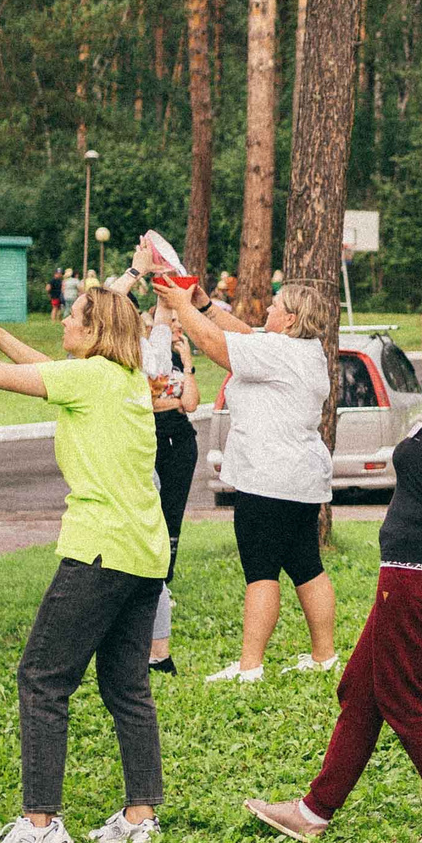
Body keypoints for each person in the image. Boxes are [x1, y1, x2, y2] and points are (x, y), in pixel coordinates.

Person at [244, 261, 422, 843]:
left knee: (403, 694)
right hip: (421, 576)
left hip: (418, 579)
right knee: (360, 687)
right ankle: (314, 811)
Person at [0, 289, 170, 843]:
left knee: (42, 678)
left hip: (98, 551)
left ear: (94, 335)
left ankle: (40, 822)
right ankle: (142, 815)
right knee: (127, 688)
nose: (64, 320)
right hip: (144, 554)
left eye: (74, 316)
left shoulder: (90, 378)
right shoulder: (125, 379)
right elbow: (46, 370)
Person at [155, 273, 340, 682]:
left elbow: (220, 347)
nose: (268, 309)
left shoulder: (276, 352)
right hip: (303, 479)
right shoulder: (306, 350)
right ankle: (324, 656)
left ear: (290, 320)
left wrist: (182, 306)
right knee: (307, 565)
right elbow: (244, 334)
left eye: (275, 306)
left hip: (267, 478)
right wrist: (204, 306)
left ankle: (250, 666)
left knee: (260, 572)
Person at [140, 298, 200, 674]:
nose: (178, 329)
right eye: (171, 323)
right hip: (152, 441)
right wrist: (168, 398)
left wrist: (188, 364)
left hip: (180, 443)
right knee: (153, 516)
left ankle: (166, 583)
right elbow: (149, 400)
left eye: (180, 324)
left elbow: (189, 403)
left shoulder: (176, 364)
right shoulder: (146, 359)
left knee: (172, 516)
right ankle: (156, 587)